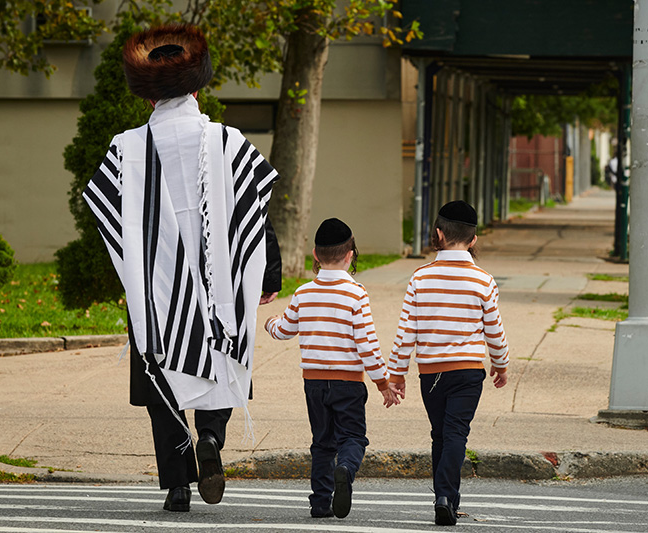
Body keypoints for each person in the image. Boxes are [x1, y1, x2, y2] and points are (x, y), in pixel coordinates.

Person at [83, 24, 282, 512]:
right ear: (197, 87)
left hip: (157, 285)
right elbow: (255, 211)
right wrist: (269, 274)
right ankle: (211, 436)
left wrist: (137, 277)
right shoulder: (226, 140)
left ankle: (176, 482)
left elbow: (108, 218)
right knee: (217, 356)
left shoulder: (125, 148)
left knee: (163, 367)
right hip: (221, 279)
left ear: (149, 95)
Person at [264, 218, 397, 519]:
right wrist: (383, 381)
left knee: (322, 443)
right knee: (353, 438)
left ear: (315, 254)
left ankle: (320, 502)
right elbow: (367, 344)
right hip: (348, 381)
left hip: (313, 383)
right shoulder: (356, 294)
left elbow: (284, 329)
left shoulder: (303, 293)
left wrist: (269, 323)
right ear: (350, 255)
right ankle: (346, 468)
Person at [387, 200, 509, 526]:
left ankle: (446, 499)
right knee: (457, 433)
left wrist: (396, 373)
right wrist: (501, 363)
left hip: (432, 373)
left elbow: (406, 331)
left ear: (438, 234)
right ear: (473, 240)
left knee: (440, 434)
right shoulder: (483, 280)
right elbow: (494, 329)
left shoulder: (420, 278)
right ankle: (446, 497)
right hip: (469, 370)